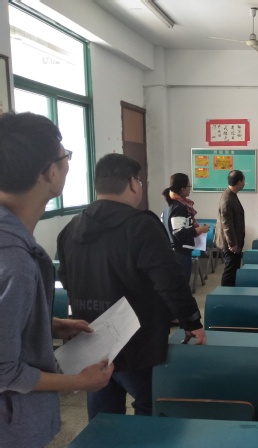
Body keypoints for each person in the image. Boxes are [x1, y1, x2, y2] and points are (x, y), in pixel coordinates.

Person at [57, 153, 206, 421]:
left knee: (103, 417)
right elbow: (169, 280)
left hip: (92, 338)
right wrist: (191, 321)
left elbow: (66, 279)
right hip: (138, 340)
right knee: (149, 406)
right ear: (132, 184)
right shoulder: (141, 225)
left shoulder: (71, 228)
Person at [0, 112, 113, 448]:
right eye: (66, 157)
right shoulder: (15, 260)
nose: (66, 165)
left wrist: (48, 324)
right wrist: (78, 381)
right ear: (50, 172)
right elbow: (4, 370)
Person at [161, 173, 209, 281]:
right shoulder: (178, 207)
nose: (190, 188)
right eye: (189, 186)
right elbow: (179, 233)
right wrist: (200, 229)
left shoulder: (169, 206)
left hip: (174, 251)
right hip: (180, 254)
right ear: (182, 189)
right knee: (182, 285)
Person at [215, 169, 246, 286]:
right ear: (239, 182)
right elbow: (227, 224)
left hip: (232, 242)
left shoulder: (231, 195)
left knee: (233, 270)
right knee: (230, 271)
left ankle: (231, 291)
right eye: (243, 181)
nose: (244, 183)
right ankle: (225, 292)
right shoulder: (227, 198)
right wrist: (232, 243)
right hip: (230, 244)